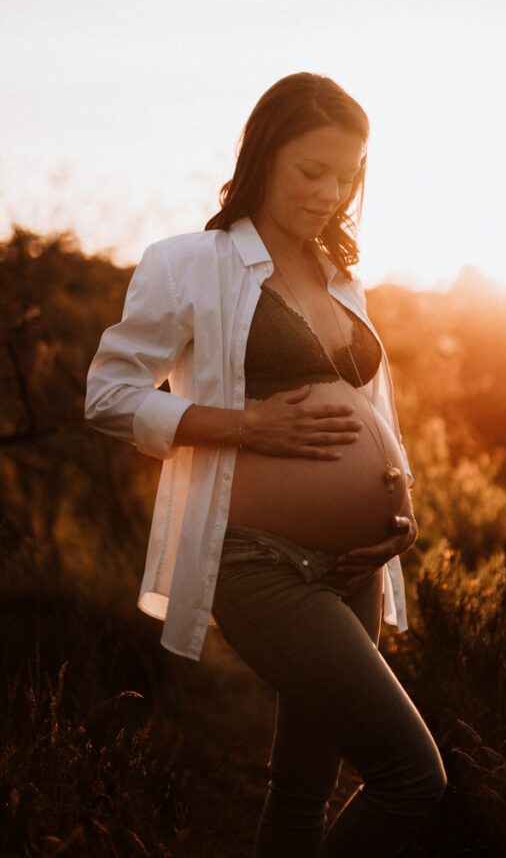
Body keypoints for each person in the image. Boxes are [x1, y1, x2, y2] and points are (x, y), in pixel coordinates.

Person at [84, 72, 447, 857]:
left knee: (302, 788)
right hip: (255, 558)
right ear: (262, 156)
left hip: (352, 565)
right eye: (309, 170)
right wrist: (243, 425)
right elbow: (108, 396)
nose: (329, 192)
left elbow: (372, 411)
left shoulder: (340, 276)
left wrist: (400, 505)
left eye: (346, 176)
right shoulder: (191, 263)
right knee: (411, 776)